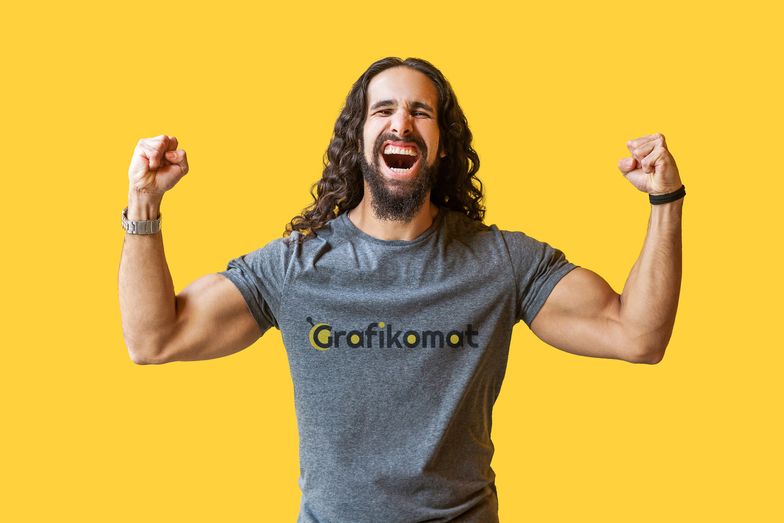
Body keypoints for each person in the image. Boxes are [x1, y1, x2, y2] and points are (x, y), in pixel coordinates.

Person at [118, 57, 684, 522]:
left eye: (421, 112)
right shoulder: (296, 268)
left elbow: (637, 335)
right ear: (359, 138)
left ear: (441, 144)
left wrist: (665, 203)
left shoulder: (502, 263)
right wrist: (144, 203)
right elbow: (155, 338)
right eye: (383, 110)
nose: (401, 123)